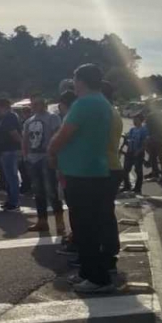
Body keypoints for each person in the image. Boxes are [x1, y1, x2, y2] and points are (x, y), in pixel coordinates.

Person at [47, 64, 114, 294]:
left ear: (81, 80)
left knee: (85, 228)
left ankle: (97, 277)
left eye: (75, 80)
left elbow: (64, 134)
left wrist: (52, 151)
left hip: (81, 173)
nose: (73, 84)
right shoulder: (103, 102)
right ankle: (88, 272)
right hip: (94, 170)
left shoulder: (84, 103)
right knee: (89, 226)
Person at [22, 94, 65, 235]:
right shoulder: (28, 121)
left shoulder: (52, 117)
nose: (34, 107)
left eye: (37, 104)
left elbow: (57, 134)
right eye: (32, 104)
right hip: (33, 158)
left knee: (51, 190)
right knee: (38, 191)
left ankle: (59, 222)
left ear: (43, 104)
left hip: (46, 157)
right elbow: (25, 139)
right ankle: (42, 221)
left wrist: (54, 155)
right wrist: (26, 155)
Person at [99, 80, 124, 277]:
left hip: (104, 167)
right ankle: (109, 253)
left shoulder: (104, 111)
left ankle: (106, 257)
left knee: (101, 215)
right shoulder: (111, 110)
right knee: (106, 214)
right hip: (111, 165)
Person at [0, 98, 23, 211]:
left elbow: (14, 133)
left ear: (2, 106)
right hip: (7, 150)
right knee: (9, 177)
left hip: (10, 150)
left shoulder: (9, 117)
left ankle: (14, 202)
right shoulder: (8, 117)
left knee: (12, 177)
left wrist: (22, 146)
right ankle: (11, 200)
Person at [123, 114, 148, 194]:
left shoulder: (144, 130)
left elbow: (145, 143)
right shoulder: (132, 130)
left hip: (138, 153)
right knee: (125, 170)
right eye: (134, 120)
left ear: (140, 120)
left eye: (136, 120)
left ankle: (137, 188)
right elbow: (128, 140)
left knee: (138, 171)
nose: (134, 121)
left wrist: (139, 151)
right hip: (130, 152)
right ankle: (127, 186)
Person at [144, 106, 162, 182]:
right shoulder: (152, 118)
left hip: (159, 140)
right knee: (155, 157)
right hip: (155, 140)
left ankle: (161, 174)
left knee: (158, 157)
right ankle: (157, 174)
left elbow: (147, 129)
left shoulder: (151, 118)